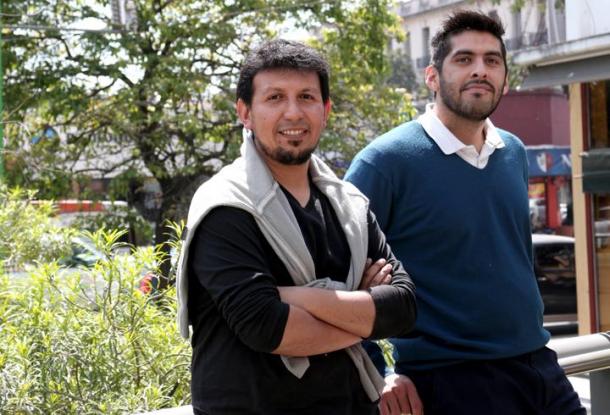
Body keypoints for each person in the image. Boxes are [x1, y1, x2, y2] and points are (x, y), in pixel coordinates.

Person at [345, 10, 585, 415]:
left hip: (540, 367)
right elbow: (336, 276)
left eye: (492, 60)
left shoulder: (514, 151)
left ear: (504, 78)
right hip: (449, 380)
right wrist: (377, 371)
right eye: (464, 59)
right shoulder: (384, 162)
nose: (480, 70)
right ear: (432, 76)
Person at [175, 39, 417, 414]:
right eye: (275, 98)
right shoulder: (225, 206)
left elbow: (402, 307)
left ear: (326, 110)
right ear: (245, 112)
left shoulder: (350, 205)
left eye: (306, 97)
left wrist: (295, 297)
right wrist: (362, 312)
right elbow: (266, 327)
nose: (293, 112)